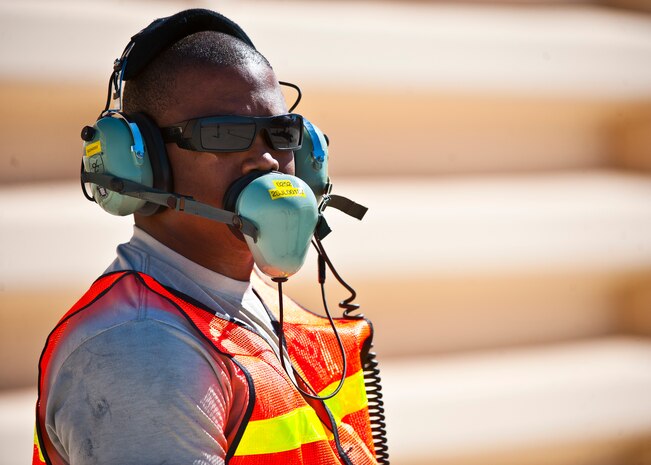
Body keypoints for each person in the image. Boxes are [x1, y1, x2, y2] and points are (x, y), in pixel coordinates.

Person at [33, 8, 386, 465]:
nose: (266, 161)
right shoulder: (141, 351)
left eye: (281, 133)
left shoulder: (247, 305)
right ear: (140, 164)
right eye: (223, 134)